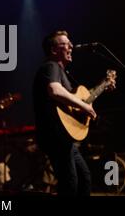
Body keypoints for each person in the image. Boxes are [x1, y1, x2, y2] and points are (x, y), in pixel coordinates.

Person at [32, 30, 96, 196]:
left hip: (63, 137)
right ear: (54, 50)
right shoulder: (51, 66)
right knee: (70, 182)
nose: (71, 46)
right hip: (54, 135)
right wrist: (85, 107)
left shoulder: (63, 73)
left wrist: (102, 88)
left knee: (84, 178)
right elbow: (54, 90)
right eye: (66, 44)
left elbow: (71, 103)